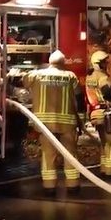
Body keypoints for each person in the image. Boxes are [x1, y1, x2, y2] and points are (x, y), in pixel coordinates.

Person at [21, 50, 83, 196]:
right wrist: (80, 119)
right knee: (70, 155)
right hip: (67, 124)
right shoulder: (70, 76)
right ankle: (73, 185)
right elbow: (79, 97)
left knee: (48, 155)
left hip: (45, 125)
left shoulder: (36, 75)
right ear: (63, 62)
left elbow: (23, 81)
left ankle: (49, 186)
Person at [85, 50, 111, 178]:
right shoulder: (102, 76)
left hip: (95, 113)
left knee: (104, 142)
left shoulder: (89, 76)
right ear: (99, 63)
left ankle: (103, 168)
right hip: (107, 113)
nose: (106, 64)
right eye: (104, 62)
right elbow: (107, 92)